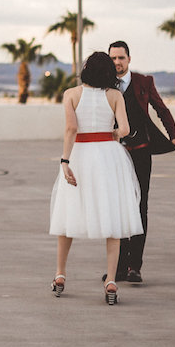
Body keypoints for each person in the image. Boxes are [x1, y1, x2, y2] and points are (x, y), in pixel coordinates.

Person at [49, 51, 143, 305]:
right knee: (112, 218)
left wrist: (65, 161)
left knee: (68, 215)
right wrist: (111, 135)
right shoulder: (114, 95)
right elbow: (124, 129)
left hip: (79, 154)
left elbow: (71, 129)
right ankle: (111, 280)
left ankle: (60, 274)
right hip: (108, 156)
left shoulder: (71, 94)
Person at [107, 40, 175, 284]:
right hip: (113, 155)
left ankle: (134, 267)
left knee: (140, 207)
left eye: (121, 58)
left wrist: (174, 135)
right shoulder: (104, 84)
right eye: (113, 58)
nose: (117, 63)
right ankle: (117, 267)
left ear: (129, 59)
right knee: (117, 208)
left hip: (140, 152)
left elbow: (161, 109)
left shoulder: (143, 82)